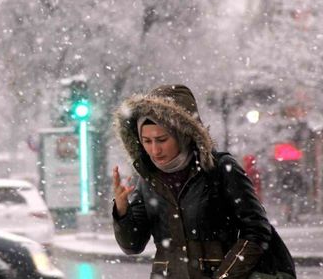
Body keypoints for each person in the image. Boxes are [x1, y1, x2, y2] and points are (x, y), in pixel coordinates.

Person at [112, 84, 295, 279]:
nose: (155, 150)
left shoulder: (220, 169)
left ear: (182, 133)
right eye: (147, 141)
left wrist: (225, 276)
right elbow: (132, 246)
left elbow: (257, 231)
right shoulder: (148, 179)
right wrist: (122, 212)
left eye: (162, 139)